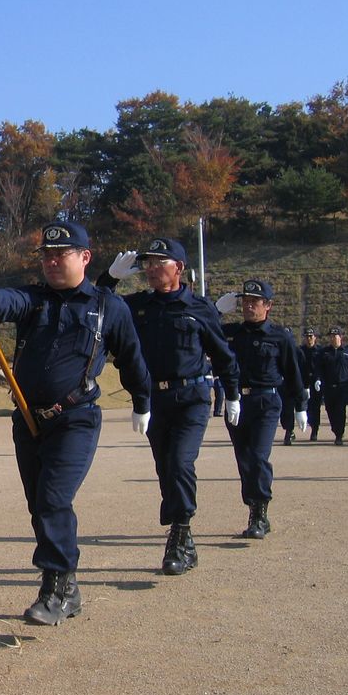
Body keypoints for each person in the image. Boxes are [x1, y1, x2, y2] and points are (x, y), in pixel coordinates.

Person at [0, 221, 150, 625]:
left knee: (53, 498)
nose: (50, 261)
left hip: (75, 419)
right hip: (29, 421)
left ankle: (56, 586)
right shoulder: (36, 299)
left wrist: (142, 403)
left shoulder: (107, 307)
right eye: (45, 255)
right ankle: (70, 587)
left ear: (84, 257)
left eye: (59, 255)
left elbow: (132, 359)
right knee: (38, 505)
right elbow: (9, 300)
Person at [100, 237, 238, 576]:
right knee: (166, 468)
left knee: (179, 462)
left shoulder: (200, 307)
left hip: (191, 398)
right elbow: (98, 306)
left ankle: (179, 534)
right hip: (154, 400)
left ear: (179, 268)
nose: (150, 269)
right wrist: (110, 278)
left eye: (158, 262)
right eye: (147, 263)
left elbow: (223, 354)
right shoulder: (138, 306)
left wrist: (232, 394)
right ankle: (185, 535)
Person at [214, 280, 305, 538]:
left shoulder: (280, 336)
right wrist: (217, 311)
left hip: (266, 402)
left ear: (268, 305)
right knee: (244, 459)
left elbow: (292, 372)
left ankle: (261, 513)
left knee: (257, 456)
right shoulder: (231, 332)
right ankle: (254, 508)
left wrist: (300, 405)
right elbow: (201, 328)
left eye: (255, 301)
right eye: (245, 301)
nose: (249, 306)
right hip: (237, 403)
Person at [315, 327, 348, 445]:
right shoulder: (324, 352)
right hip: (328, 387)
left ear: (340, 337)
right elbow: (319, 368)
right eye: (331, 336)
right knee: (330, 410)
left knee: (340, 410)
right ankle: (335, 429)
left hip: (343, 387)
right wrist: (318, 379)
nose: (332, 338)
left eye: (335, 336)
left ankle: (339, 434)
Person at [299, 327, 322, 439]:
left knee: (315, 407)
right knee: (305, 407)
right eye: (307, 336)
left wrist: (319, 379)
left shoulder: (320, 351)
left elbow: (322, 367)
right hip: (303, 383)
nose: (309, 339)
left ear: (315, 338)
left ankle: (315, 429)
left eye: (311, 336)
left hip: (315, 383)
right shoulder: (300, 351)